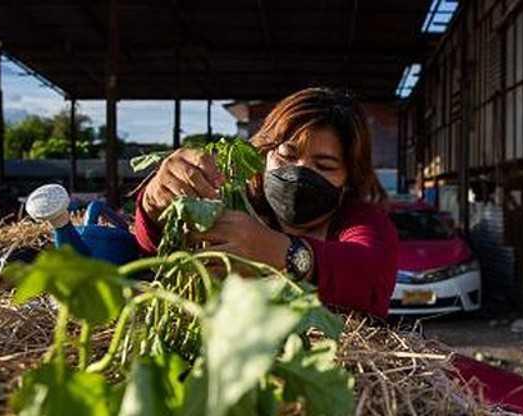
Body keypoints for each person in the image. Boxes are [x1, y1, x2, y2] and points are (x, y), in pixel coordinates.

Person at [133, 87, 399, 318]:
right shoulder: (232, 201)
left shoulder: (362, 220)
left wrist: (285, 253)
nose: (299, 172)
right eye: (287, 155)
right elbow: (155, 245)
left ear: (349, 178)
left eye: (324, 165)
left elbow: (370, 275)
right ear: (265, 155)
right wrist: (156, 203)